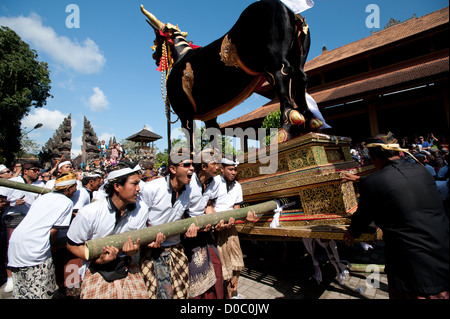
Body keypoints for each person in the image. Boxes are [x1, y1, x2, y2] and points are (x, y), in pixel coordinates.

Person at [342, 134, 449, 299]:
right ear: (399, 153)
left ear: (373, 157)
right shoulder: (421, 170)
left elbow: (363, 217)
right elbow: (394, 182)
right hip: (441, 249)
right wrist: (359, 179)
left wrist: (351, 233)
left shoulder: (374, 182)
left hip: (411, 262)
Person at [66, 163, 151, 299]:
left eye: (139, 183)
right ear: (117, 186)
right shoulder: (89, 212)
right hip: (95, 270)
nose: (139, 189)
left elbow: (138, 242)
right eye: (134, 184)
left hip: (126, 267)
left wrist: (133, 250)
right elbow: (72, 245)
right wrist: (98, 260)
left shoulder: (141, 209)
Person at [139, 148, 199, 299]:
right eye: (186, 165)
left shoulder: (190, 190)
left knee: (181, 294)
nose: (191, 168)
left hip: (176, 249)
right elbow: (138, 219)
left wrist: (190, 225)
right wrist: (148, 238)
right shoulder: (152, 188)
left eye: (192, 165)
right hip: (151, 251)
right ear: (172, 169)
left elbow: (189, 215)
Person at [7, 172, 78, 299]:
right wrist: (50, 247)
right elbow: (54, 231)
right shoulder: (66, 203)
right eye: (75, 187)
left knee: (22, 291)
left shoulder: (43, 197)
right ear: (68, 189)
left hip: (16, 243)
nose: (76, 190)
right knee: (42, 292)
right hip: (35, 248)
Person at [182, 148, 226, 299]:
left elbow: (208, 206)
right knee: (196, 270)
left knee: (216, 264)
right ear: (203, 167)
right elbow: (181, 212)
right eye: (214, 164)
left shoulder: (214, 182)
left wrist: (216, 220)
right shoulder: (188, 183)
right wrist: (191, 225)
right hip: (188, 233)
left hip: (205, 230)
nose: (218, 167)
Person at [213, 157, 248, 299]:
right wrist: (217, 222)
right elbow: (208, 207)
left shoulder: (238, 186)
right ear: (222, 169)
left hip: (231, 229)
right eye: (230, 169)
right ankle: (222, 295)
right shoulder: (214, 183)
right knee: (221, 265)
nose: (234, 172)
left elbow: (237, 208)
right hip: (217, 228)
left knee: (236, 261)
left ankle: (233, 292)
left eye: (235, 169)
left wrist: (234, 217)